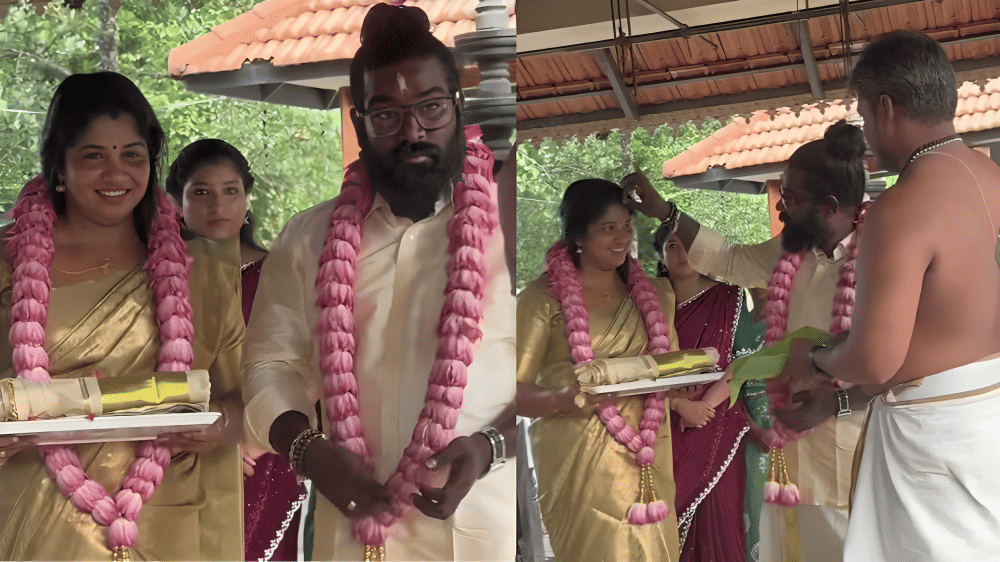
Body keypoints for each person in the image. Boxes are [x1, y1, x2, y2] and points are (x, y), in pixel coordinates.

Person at [241, 5, 515, 560]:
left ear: (458, 107)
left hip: (481, 528)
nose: (413, 132)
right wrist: (307, 450)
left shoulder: (507, 233)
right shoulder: (308, 237)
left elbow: (551, 376)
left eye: (431, 108)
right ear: (359, 121)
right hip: (348, 535)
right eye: (386, 115)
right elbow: (269, 365)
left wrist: (491, 446)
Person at [0, 72, 244, 560]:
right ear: (60, 169)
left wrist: (219, 428)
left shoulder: (207, 275)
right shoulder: (7, 266)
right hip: (33, 522)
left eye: (132, 155)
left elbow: (246, 399)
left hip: (165, 522)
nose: (117, 174)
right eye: (94, 156)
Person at [778, 30, 1000, 561]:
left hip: (932, 447)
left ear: (886, 107)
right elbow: (938, 345)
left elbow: (876, 359)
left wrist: (815, 356)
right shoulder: (993, 176)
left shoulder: (902, 207)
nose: (868, 138)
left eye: (862, 115)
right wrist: (836, 401)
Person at [621, 119, 872, 562]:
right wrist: (667, 214)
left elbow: (905, 359)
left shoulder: (885, 252)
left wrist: (836, 404)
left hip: (865, 447)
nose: (780, 211)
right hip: (792, 451)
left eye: (790, 200)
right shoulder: (789, 250)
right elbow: (731, 259)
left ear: (829, 205)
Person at [517, 178, 682, 562]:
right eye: (609, 229)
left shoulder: (655, 295)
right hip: (580, 463)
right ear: (577, 235)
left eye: (627, 226)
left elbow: (671, 367)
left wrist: (693, 376)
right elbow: (510, 392)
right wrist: (562, 398)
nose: (623, 238)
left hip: (649, 453)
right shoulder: (542, 299)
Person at [165, 139, 305, 562]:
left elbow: (306, 366)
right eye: (201, 192)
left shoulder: (280, 271)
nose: (218, 205)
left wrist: (255, 439)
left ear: (247, 199)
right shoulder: (159, 276)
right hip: (177, 448)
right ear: (177, 201)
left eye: (231, 191)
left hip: (263, 448)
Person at [654, 225, 767, 562]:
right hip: (662, 424)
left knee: (720, 517)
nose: (683, 253)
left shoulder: (730, 297)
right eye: (673, 245)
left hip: (717, 424)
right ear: (660, 255)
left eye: (689, 245)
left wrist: (704, 405)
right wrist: (677, 405)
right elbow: (635, 365)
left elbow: (744, 362)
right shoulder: (648, 301)